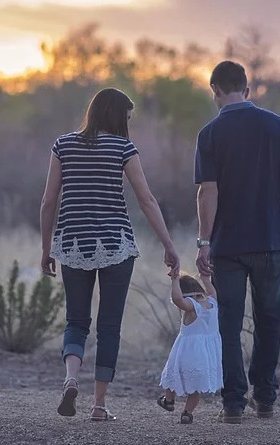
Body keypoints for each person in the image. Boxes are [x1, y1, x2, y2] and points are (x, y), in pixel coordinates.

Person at [40, 87, 180, 421]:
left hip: (72, 243)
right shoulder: (123, 148)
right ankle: (99, 406)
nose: (128, 124)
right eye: (127, 117)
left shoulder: (63, 145)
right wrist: (168, 245)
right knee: (109, 327)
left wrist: (47, 249)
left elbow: (48, 201)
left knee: (76, 321)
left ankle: (71, 378)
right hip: (116, 244)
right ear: (117, 116)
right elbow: (146, 200)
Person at [194, 61, 280, 424]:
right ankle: (265, 398)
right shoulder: (275, 125)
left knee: (228, 325)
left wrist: (203, 241)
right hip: (270, 243)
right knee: (269, 320)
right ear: (247, 90)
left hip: (227, 247)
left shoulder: (210, 133)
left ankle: (233, 404)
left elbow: (206, 192)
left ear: (214, 91)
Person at [157, 273, 222, 424]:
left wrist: (174, 281)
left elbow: (178, 300)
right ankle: (187, 413)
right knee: (195, 387)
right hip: (205, 356)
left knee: (172, 376)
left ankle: (169, 401)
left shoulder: (192, 307)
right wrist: (206, 278)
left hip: (186, 353)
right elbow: (212, 291)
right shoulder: (212, 302)